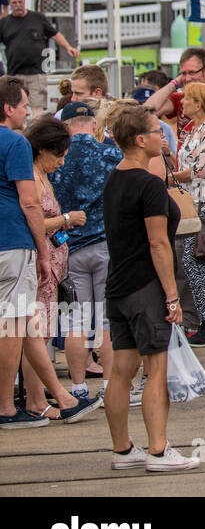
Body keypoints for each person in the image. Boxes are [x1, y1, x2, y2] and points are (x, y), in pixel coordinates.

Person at [102, 104, 200, 470]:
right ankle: (158, 449)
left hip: (119, 285)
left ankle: (123, 450)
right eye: (157, 131)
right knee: (155, 369)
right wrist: (172, 295)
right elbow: (158, 243)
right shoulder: (148, 184)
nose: (163, 136)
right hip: (146, 286)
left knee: (121, 370)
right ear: (140, 139)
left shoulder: (115, 178)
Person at [0, 80, 98, 428]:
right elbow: (30, 205)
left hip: (14, 250)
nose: (28, 111)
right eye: (24, 105)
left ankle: (51, 397)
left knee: (24, 327)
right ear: (8, 108)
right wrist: (45, 250)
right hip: (14, 246)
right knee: (18, 326)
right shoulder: (14, 144)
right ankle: (15, 406)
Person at [144, 48, 205, 338]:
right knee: (188, 259)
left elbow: (201, 168)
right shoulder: (192, 126)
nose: (183, 87)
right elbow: (149, 108)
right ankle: (199, 319)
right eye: (182, 73)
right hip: (188, 198)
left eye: (191, 75)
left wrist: (168, 177)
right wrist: (175, 83)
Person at [20, 118, 100, 422]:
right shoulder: (32, 176)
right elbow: (35, 219)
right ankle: (37, 399)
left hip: (53, 265)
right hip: (43, 266)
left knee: (39, 335)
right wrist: (67, 218)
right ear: (43, 151)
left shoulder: (39, 173)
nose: (62, 162)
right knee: (36, 337)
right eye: (59, 156)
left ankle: (38, 398)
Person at [49, 100, 121, 396]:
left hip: (69, 245)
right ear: (94, 125)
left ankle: (78, 388)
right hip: (106, 244)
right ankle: (109, 386)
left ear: (65, 128)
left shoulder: (55, 157)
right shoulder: (111, 153)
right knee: (106, 319)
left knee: (74, 321)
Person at [170, 82, 205, 347]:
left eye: (187, 99)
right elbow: (188, 165)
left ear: (199, 103)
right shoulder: (196, 130)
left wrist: (169, 178)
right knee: (195, 262)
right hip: (194, 204)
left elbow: (199, 169)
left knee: (196, 262)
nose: (182, 103)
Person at [0, 0, 79, 112]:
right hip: (15, 73)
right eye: (14, 3)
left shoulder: (37, 18)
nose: (18, 5)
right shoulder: (4, 23)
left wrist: (68, 47)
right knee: (15, 110)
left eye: (20, 2)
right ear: (9, 4)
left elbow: (55, 34)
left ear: (24, 1)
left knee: (37, 110)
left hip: (36, 73)